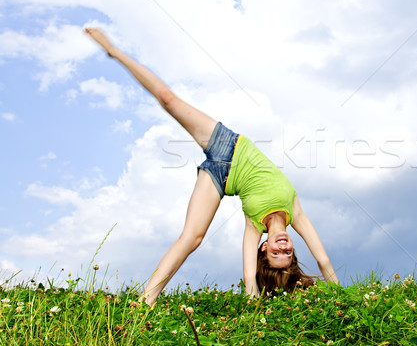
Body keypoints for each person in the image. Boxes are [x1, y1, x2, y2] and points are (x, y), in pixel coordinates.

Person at [85, 28, 338, 306]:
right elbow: (323, 259)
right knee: (169, 100)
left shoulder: (254, 226)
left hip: (219, 179)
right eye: (287, 254)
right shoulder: (295, 212)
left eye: (275, 256)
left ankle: (146, 299)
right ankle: (115, 51)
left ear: (263, 249)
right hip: (228, 144)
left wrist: (252, 298)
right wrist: (340, 299)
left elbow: (249, 281)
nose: (283, 249)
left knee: (192, 237)